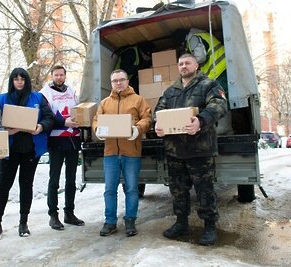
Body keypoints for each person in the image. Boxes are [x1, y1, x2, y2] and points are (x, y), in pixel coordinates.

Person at [154, 53, 228, 246]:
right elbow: (158, 112)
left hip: (200, 149)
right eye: (180, 64)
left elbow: (219, 105)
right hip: (174, 151)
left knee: (205, 190)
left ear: (196, 65)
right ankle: (181, 223)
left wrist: (201, 120)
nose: (184, 66)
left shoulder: (209, 85)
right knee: (178, 190)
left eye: (187, 63)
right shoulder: (171, 91)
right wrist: (158, 126)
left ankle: (210, 226)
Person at [0, 68, 54, 241]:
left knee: (26, 185)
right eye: (16, 79)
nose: (19, 82)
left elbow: (49, 118)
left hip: (30, 150)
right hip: (8, 150)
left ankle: (23, 222)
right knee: (3, 186)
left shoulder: (38, 98)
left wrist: (40, 127)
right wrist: (5, 130)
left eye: (22, 79)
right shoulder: (1, 99)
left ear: (27, 81)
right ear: (11, 81)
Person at [93, 69, 151, 237]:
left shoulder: (138, 100)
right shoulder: (104, 103)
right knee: (109, 189)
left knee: (131, 189)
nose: (118, 83)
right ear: (111, 83)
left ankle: (130, 220)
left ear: (127, 81)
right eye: (115, 81)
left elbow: (147, 118)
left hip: (131, 152)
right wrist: (98, 130)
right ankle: (110, 222)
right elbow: (97, 120)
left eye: (121, 80)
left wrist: (137, 129)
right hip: (110, 152)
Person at [39, 65, 84, 230]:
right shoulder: (45, 93)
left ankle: (69, 213)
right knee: (54, 180)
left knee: (71, 179)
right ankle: (53, 215)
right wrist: (63, 122)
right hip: (56, 140)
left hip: (72, 139)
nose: (59, 77)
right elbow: (47, 115)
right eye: (56, 75)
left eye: (61, 75)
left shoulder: (71, 91)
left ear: (65, 76)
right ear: (52, 76)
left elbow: (78, 109)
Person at [175, 28, 232, 134]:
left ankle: (224, 127)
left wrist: (190, 62)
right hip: (219, 68)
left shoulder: (193, 38)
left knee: (221, 97)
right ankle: (223, 127)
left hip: (220, 69)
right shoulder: (200, 35)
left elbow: (200, 57)